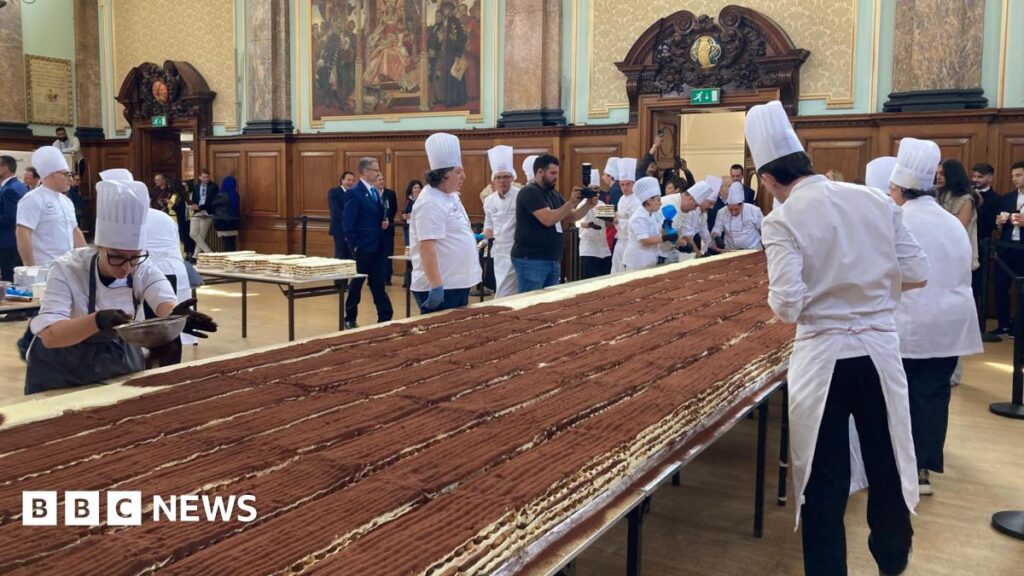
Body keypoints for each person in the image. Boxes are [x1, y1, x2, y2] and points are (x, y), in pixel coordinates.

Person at [753, 101, 927, 576]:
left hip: (824, 356)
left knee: (823, 478)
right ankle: (892, 561)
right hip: (878, 351)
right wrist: (869, 296)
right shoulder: (873, 200)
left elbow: (786, 305)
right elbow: (917, 272)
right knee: (887, 460)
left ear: (769, 180)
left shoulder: (781, 220)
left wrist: (826, 300)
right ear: (807, 162)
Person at [24, 169, 216, 394]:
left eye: (134, 257)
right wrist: (97, 320)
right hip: (60, 369)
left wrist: (176, 317)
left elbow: (163, 300)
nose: (126, 266)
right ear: (99, 247)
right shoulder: (68, 269)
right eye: (116, 257)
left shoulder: (142, 267)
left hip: (115, 362)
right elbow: (50, 336)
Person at [885, 148, 983, 497]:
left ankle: (897, 466)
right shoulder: (948, 221)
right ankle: (921, 469)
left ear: (897, 189)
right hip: (947, 324)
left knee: (899, 395)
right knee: (933, 396)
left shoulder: (897, 220)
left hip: (908, 323)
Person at [410, 132, 481, 312]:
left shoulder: (451, 196)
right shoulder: (429, 202)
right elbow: (426, 246)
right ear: (442, 175)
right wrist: (436, 285)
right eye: (458, 172)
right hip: (443, 286)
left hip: (456, 282)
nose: (463, 176)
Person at [511, 154, 596, 293]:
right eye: (552, 173)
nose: (556, 176)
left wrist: (587, 205)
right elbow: (548, 220)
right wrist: (571, 202)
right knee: (530, 303)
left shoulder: (553, 194)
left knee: (548, 303)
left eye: (557, 173)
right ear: (540, 172)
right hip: (532, 260)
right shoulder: (529, 192)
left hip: (552, 259)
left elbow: (571, 216)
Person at [343, 157, 393, 328]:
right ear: (365, 171)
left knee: (378, 282)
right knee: (357, 284)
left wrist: (383, 221)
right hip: (363, 247)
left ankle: (385, 316)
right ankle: (350, 317)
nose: (378, 173)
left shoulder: (375, 192)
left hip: (378, 245)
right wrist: (354, 246)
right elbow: (348, 223)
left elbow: (376, 216)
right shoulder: (354, 193)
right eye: (375, 170)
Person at [16, 146, 86, 269]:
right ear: (52, 175)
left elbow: (74, 230)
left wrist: (86, 259)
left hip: (68, 266)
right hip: (44, 267)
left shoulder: (66, 201)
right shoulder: (32, 199)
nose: (69, 178)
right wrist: (30, 267)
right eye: (66, 174)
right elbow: (23, 232)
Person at [992, 160, 1024, 336]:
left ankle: (1019, 327)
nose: (1014, 179)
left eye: (1018, 175)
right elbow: (998, 228)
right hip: (1006, 247)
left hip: (1023, 249)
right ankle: (1003, 324)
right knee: (1000, 286)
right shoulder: (1007, 198)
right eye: (1012, 176)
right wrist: (998, 223)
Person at [482, 145, 519, 297]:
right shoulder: (489, 200)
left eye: (505, 177)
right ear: (493, 180)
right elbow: (488, 227)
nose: (502, 181)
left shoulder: (520, 195)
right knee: (502, 287)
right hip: (499, 252)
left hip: (517, 249)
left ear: (511, 178)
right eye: (498, 177)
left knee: (508, 292)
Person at [935, 159, 979, 273]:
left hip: (957, 249)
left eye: (942, 174)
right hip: (937, 248)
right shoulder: (935, 194)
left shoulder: (965, 198)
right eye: (937, 173)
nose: (938, 177)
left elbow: (959, 228)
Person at [623, 177, 669, 271]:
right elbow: (644, 241)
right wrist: (665, 238)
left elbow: (658, 232)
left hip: (649, 259)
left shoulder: (652, 214)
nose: (660, 203)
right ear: (649, 201)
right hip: (638, 261)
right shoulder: (639, 217)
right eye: (658, 200)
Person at [576, 168, 611, 279]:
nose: (594, 192)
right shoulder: (582, 204)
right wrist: (588, 225)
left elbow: (610, 221)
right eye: (591, 189)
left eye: (596, 189)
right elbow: (577, 222)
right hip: (589, 249)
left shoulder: (602, 204)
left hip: (604, 249)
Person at [710, 182, 764, 251]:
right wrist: (716, 236)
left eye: (736, 209)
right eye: (730, 209)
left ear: (742, 204)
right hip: (731, 250)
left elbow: (764, 229)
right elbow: (717, 229)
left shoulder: (754, 211)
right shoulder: (721, 212)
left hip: (753, 250)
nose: (733, 212)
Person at [0, 155, 28, 281]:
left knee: (9, 280)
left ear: (4, 168)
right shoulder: (20, 186)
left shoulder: (9, 190)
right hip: (15, 240)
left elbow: (11, 217)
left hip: (8, 242)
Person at [611, 158, 638, 273]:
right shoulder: (622, 199)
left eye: (628, 184)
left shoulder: (637, 199)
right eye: (622, 185)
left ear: (633, 183)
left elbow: (636, 223)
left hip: (631, 242)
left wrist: (618, 221)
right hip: (620, 241)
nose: (625, 188)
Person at [189, 169, 219, 256]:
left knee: (202, 234)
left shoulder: (213, 186)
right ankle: (210, 253)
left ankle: (195, 256)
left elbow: (212, 201)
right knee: (193, 233)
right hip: (197, 212)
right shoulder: (196, 187)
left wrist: (200, 207)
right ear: (200, 177)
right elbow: (194, 199)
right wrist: (194, 206)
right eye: (204, 177)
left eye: (207, 177)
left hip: (208, 212)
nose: (206, 179)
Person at [329, 171, 356, 260]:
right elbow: (336, 211)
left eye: (352, 180)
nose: (351, 183)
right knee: (341, 254)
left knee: (351, 255)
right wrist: (347, 224)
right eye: (349, 180)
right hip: (340, 229)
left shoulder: (354, 194)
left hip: (352, 230)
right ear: (342, 180)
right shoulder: (334, 192)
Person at [377, 173, 398, 285]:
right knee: (375, 254)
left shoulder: (390, 193)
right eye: (379, 180)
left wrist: (388, 221)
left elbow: (394, 209)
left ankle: (387, 277)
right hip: (375, 229)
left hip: (388, 229)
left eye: (382, 179)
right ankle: (374, 277)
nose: (381, 182)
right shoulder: (372, 193)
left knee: (387, 253)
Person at [212, 174, 241, 252]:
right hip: (234, 222)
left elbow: (213, 205)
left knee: (226, 243)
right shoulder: (235, 195)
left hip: (223, 222)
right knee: (232, 242)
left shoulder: (222, 195)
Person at [399, 179, 422, 248]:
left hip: (418, 228)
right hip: (407, 228)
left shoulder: (422, 200)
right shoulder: (407, 201)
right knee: (408, 248)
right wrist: (403, 216)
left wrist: (412, 216)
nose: (417, 190)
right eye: (415, 188)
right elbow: (401, 213)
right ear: (411, 189)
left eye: (419, 188)